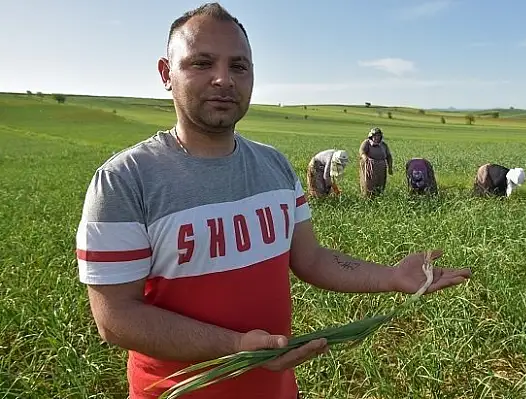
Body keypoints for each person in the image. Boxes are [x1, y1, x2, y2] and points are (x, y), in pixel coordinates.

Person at [73, 3, 471, 399]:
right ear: (166, 74)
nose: (223, 79)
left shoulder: (274, 166)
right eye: (202, 63)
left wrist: (391, 277)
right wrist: (234, 347)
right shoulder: (124, 181)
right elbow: (116, 319)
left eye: (238, 66)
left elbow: (310, 258)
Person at [359, 127, 393, 197]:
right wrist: (365, 158)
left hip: (381, 167)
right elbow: (362, 151)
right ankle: (367, 198)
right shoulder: (366, 143)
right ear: (371, 136)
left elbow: (389, 156)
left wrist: (390, 168)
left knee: (380, 185)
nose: (377, 137)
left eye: (378, 136)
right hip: (369, 167)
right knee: (368, 185)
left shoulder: (383, 145)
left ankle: (378, 197)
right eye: (375, 136)